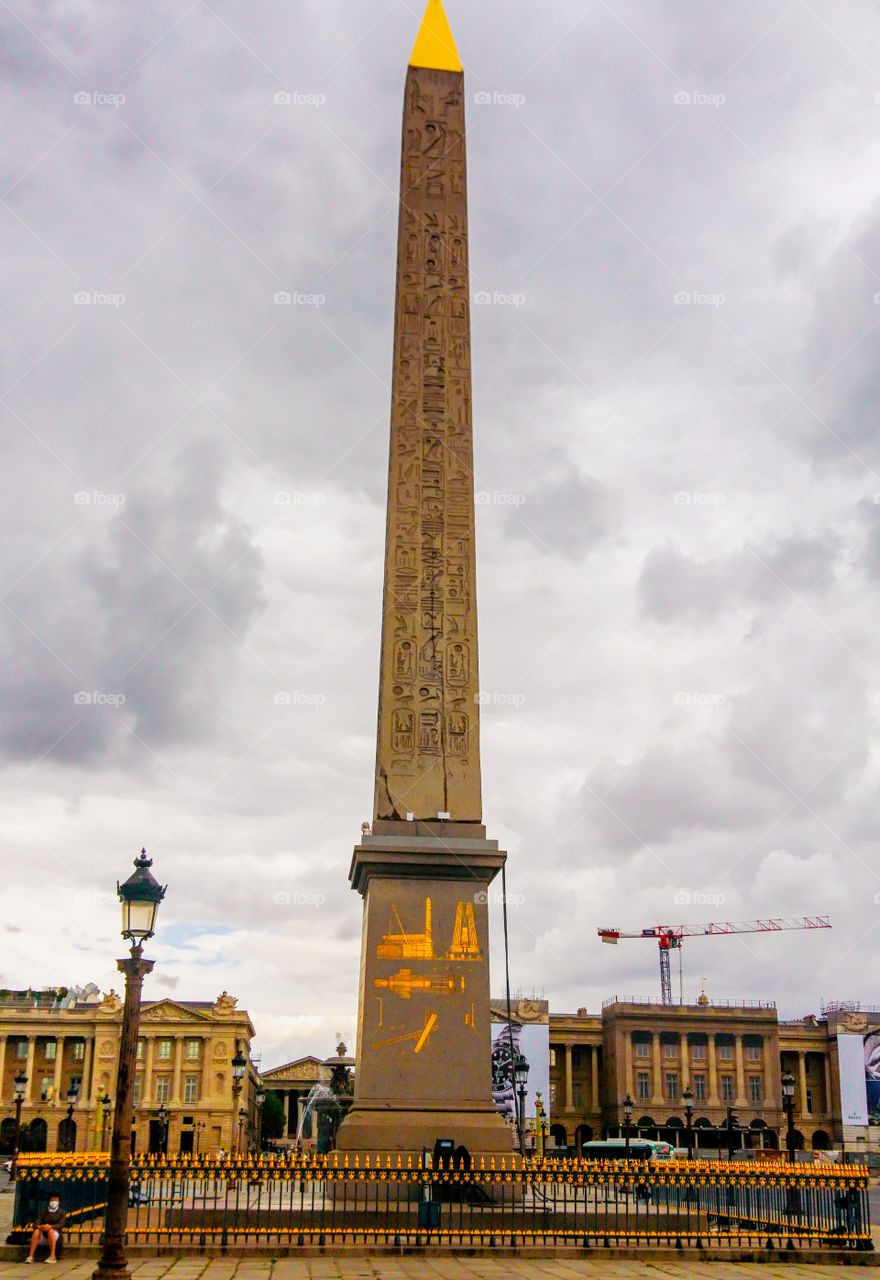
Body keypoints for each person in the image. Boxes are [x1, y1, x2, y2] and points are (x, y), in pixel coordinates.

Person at [25, 1195, 65, 1263]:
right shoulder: (43, 1211)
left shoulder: (62, 1212)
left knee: (51, 1231)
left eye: (56, 1200)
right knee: (36, 1231)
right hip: (43, 1233)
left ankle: (52, 1256)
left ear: (59, 1202)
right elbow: (37, 1222)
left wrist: (50, 1227)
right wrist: (40, 1227)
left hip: (54, 1235)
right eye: (52, 1200)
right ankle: (30, 1256)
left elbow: (60, 1225)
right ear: (49, 1202)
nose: (54, 1202)